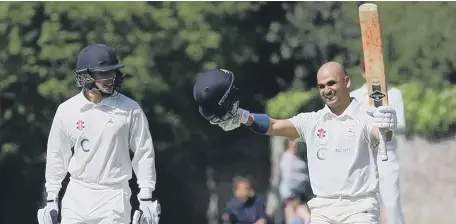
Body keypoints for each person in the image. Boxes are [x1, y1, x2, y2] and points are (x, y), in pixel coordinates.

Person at [193, 63, 398, 224]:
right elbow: (274, 126)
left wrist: (386, 127)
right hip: (322, 211)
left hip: (359, 210)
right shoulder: (312, 121)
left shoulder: (365, 117)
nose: (327, 90)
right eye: (321, 86)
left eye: (332, 83)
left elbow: (381, 135)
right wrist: (242, 116)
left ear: (346, 82)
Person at [37, 44, 160, 224]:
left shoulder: (130, 109)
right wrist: (51, 199)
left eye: (112, 72)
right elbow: (57, 155)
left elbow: (144, 153)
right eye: (103, 73)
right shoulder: (67, 110)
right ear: (86, 76)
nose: (110, 78)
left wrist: (146, 197)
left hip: (114, 196)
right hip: (76, 194)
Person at [350, 60, 406, 224]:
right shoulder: (354, 97)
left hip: (387, 156)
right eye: (370, 71)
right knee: (365, 205)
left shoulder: (394, 94)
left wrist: (385, 120)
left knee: (391, 202)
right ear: (363, 74)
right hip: (363, 159)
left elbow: (401, 126)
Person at [279, 141, 311, 224]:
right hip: (292, 195)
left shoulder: (295, 156)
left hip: (299, 193)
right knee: (304, 218)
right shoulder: (287, 157)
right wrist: (291, 197)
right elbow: (288, 177)